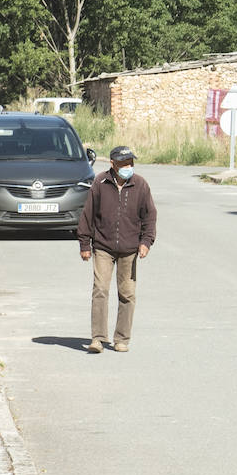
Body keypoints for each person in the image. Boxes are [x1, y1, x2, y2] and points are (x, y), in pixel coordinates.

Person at [77, 145, 157, 353]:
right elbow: (88, 214)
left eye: (130, 163)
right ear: (113, 165)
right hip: (103, 246)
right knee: (100, 289)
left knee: (127, 293)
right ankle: (98, 338)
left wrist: (146, 242)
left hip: (130, 249)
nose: (128, 167)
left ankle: (121, 339)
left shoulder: (140, 185)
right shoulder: (100, 183)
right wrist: (85, 243)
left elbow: (149, 217)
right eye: (123, 164)